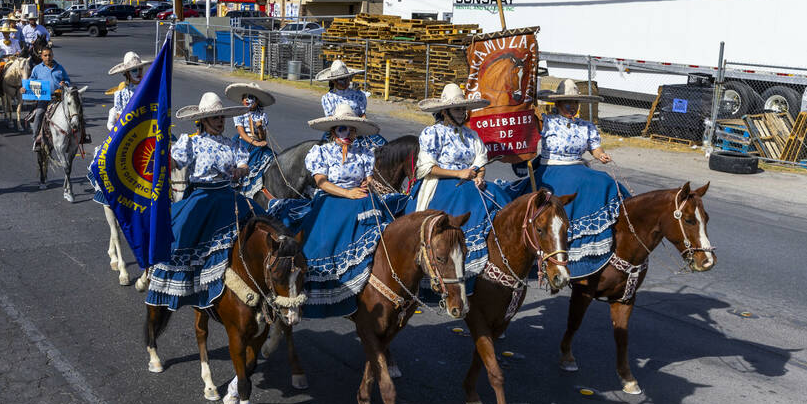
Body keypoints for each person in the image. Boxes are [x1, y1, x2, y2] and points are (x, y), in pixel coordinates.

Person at [268, 104, 406, 315]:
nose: (348, 134)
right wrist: (347, 192)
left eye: (351, 129)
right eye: (343, 129)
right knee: (321, 243)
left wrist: (366, 185)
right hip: (330, 201)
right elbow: (321, 182)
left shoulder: (363, 153)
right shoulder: (321, 152)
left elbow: (369, 179)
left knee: (385, 230)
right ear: (333, 131)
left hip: (360, 200)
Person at [144, 93, 260, 312]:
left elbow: (245, 165)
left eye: (221, 117)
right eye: (215, 117)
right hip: (201, 196)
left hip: (228, 196)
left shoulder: (231, 144)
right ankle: (183, 284)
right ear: (203, 121)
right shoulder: (191, 142)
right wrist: (162, 154)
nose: (220, 121)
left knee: (262, 226)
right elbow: (175, 163)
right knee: (179, 237)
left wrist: (240, 171)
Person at [508, 79, 626, 277]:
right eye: (567, 102)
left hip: (578, 167)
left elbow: (595, 148)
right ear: (558, 104)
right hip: (551, 169)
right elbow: (524, 129)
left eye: (575, 103)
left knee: (604, 182)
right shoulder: (546, 121)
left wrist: (600, 155)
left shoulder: (586, 126)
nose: (571, 107)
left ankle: (600, 242)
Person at [408, 82, 511, 279]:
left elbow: (481, 158)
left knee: (497, 194)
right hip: (442, 183)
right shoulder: (433, 133)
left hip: (470, 182)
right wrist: (459, 174)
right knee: (465, 201)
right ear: (445, 111)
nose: (462, 112)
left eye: (463, 108)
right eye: (457, 108)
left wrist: (479, 175)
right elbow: (425, 167)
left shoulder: (471, 134)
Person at [89, 51, 152, 206]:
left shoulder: (150, 90)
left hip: (149, 132)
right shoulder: (120, 94)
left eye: (140, 69)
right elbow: (117, 118)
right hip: (127, 135)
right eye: (134, 70)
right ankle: (110, 194)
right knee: (106, 159)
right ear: (127, 73)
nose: (138, 73)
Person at [315, 59, 386, 149]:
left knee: (383, 147)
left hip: (357, 129)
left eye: (346, 78)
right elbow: (330, 119)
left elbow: (362, 114)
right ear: (334, 81)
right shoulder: (328, 98)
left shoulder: (359, 95)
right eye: (341, 80)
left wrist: (362, 126)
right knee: (325, 150)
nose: (345, 82)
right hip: (337, 131)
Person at [225, 82, 275, 199]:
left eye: (251, 97)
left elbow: (263, 137)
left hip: (259, 143)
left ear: (257, 101)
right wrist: (254, 143)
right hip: (243, 142)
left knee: (272, 159)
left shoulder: (262, 115)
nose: (247, 100)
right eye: (245, 97)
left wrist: (259, 127)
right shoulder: (238, 113)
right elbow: (241, 132)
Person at [25, 46, 72, 149]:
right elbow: (31, 81)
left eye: (49, 55)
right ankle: (36, 138)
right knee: (39, 114)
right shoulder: (37, 69)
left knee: (74, 112)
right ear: (41, 57)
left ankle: (78, 137)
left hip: (59, 98)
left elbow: (68, 80)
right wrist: (25, 88)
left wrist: (65, 83)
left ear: (53, 55)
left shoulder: (59, 67)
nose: (48, 57)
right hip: (44, 98)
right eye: (45, 55)